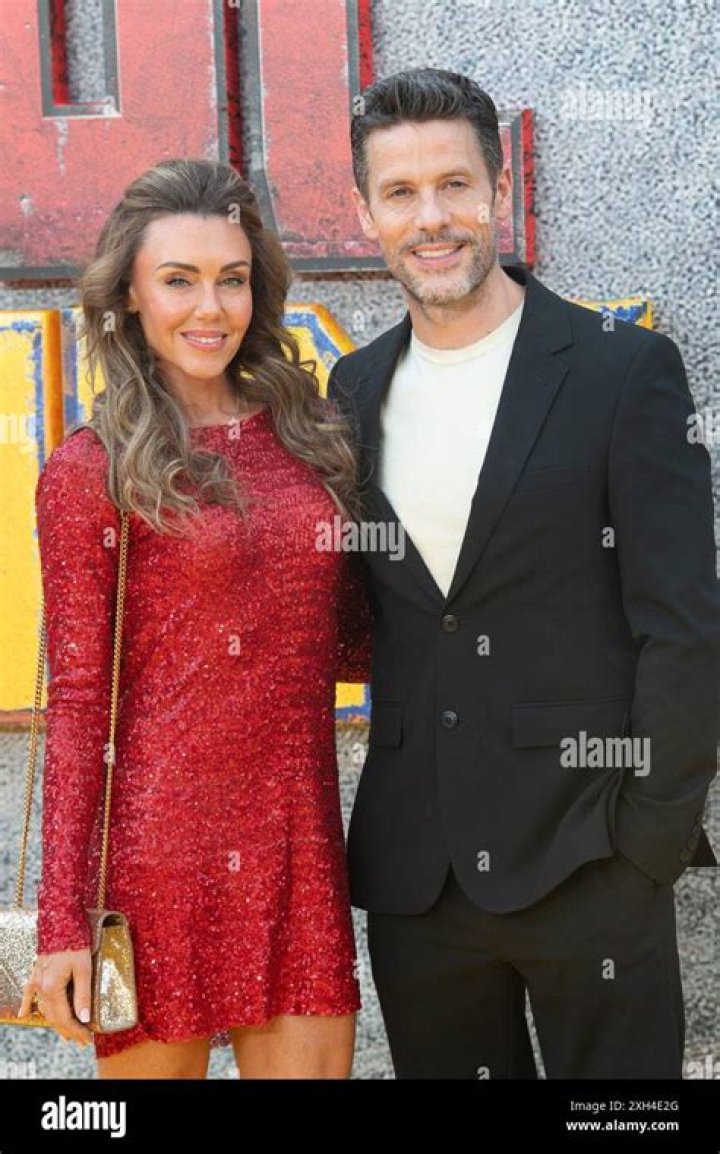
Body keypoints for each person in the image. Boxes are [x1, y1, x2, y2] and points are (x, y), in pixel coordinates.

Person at [328, 67, 719, 1079]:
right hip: (419, 883)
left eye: (454, 184)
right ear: (366, 211)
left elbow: (684, 627)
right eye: (401, 191)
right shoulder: (351, 389)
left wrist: (649, 843)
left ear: (500, 190)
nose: (431, 217)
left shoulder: (621, 369)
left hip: (591, 857)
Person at [20, 158, 370, 1079]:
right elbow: (79, 703)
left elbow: (350, 640)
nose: (210, 308)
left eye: (232, 279)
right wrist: (61, 925)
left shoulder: (310, 436)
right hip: (153, 865)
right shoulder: (92, 469)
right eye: (178, 280)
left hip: (297, 848)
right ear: (129, 297)